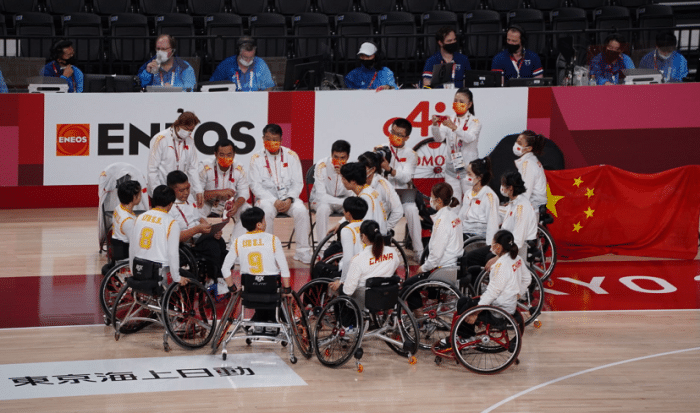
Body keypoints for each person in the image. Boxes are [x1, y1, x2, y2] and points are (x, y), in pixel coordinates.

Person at [440, 229, 530, 347]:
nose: (490, 245)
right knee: (465, 301)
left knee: (464, 304)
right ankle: (466, 335)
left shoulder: (500, 266)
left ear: (498, 247)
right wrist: (517, 295)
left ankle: (465, 338)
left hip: (497, 310)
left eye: (492, 242)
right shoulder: (517, 259)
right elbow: (527, 279)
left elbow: (492, 293)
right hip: (508, 305)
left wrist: (476, 312)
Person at [221, 207, 292, 334]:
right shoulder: (273, 239)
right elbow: (284, 267)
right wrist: (287, 289)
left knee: (257, 289)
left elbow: (225, 268)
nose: (266, 223)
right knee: (273, 290)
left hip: (249, 289)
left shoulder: (238, 241)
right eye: (264, 220)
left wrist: (232, 287)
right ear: (259, 224)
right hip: (270, 289)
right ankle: (270, 321)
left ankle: (259, 320)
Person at [248, 124, 312, 263]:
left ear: (281, 140)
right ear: (263, 139)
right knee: (266, 212)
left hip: (288, 198)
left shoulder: (291, 156)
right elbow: (255, 186)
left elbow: (297, 183)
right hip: (267, 199)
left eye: (275, 139)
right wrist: (274, 201)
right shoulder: (256, 158)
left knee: (301, 211)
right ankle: (268, 252)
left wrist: (289, 199)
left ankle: (302, 251)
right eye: (268, 139)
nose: (271, 142)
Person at [402, 182, 463, 316]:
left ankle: (419, 319)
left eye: (431, 196)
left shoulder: (442, 222)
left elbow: (436, 255)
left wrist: (423, 268)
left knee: (407, 286)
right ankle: (433, 301)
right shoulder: (453, 215)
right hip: (454, 264)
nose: (430, 199)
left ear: (439, 200)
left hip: (443, 269)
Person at [465, 171, 537, 272]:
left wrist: (497, 257)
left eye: (503, 184)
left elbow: (518, 241)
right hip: (503, 244)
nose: (501, 187)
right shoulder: (514, 202)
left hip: (513, 248)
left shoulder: (521, 208)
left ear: (510, 188)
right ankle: (474, 281)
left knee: (488, 258)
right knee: (470, 256)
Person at [376, 118, 422, 260]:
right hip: (384, 193)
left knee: (412, 210)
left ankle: (419, 251)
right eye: (393, 132)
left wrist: (389, 169)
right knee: (378, 211)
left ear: (407, 137)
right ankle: (379, 247)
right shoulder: (380, 149)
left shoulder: (411, 154)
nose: (394, 136)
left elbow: (406, 178)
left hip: (403, 193)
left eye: (399, 135)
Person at [129, 185, 187, 287]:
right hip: (159, 272)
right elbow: (172, 254)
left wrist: (132, 269)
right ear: (170, 204)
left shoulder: (139, 218)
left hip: (139, 268)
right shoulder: (171, 223)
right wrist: (177, 278)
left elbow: (132, 247)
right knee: (190, 278)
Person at [430, 87, 482, 202]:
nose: (457, 103)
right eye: (455, 101)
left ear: (469, 104)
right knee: (452, 201)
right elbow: (439, 138)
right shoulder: (449, 119)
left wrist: (453, 127)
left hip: (469, 168)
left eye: (461, 101)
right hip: (451, 167)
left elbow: (469, 138)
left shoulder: (475, 122)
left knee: (470, 199)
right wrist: (435, 126)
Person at [147, 109, 203, 207]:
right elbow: (152, 169)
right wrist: (158, 193)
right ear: (178, 124)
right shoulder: (161, 139)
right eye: (186, 129)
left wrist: (198, 190)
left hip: (181, 193)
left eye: (191, 130)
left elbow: (193, 168)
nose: (188, 132)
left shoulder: (190, 141)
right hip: (163, 190)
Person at [329, 220, 400, 297]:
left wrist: (340, 284)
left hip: (365, 299)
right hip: (388, 295)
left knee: (336, 286)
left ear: (363, 236)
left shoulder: (358, 259)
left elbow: (348, 291)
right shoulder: (392, 252)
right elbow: (395, 266)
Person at [200, 139, 250, 242]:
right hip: (209, 202)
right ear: (215, 154)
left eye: (229, 155)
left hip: (230, 203)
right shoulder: (204, 166)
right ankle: (201, 241)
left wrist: (236, 205)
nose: (225, 158)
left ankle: (234, 244)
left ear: (234, 155)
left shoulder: (239, 168)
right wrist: (218, 192)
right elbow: (197, 193)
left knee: (246, 211)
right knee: (196, 210)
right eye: (222, 155)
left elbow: (244, 192)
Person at [310, 140, 353, 241]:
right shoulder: (321, 165)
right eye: (335, 157)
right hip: (322, 201)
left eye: (342, 158)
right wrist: (345, 202)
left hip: (343, 201)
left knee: (356, 209)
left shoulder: (352, 168)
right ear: (331, 154)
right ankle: (322, 247)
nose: (338, 161)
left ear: (348, 157)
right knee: (323, 209)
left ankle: (349, 242)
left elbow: (352, 193)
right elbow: (321, 196)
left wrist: (344, 175)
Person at [359, 151, 403, 237]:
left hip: (375, 229)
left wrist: (385, 229)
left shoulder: (383, 184)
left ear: (372, 169)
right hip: (361, 225)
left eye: (362, 167)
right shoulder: (359, 181)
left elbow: (398, 211)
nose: (359, 170)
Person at [209, 36, 275, 91]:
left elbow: (268, 87)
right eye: (245, 57)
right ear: (238, 53)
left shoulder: (260, 63)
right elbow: (212, 86)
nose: (248, 60)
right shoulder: (226, 65)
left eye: (251, 57)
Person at [460, 157, 499, 246]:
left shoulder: (489, 196)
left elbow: (492, 223)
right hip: (465, 232)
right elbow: (461, 216)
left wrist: (490, 247)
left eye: (469, 174)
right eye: (466, 173)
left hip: (477, 236)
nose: (466, 176)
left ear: (479, 177)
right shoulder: (468, 193)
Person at [338, 162, 383, 231]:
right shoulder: (369, 190)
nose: (342, 181)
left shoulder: (365, 197)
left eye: (343, 178)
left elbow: (366, 225)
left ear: (353, 181)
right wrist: (340, 223)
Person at [513, 130, 547, 209]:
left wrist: (511, 207)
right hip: (532, 204)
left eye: (520, 143)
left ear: (529, 148)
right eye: (516, 141)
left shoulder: (528, 164)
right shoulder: (530, 160)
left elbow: (525, 193)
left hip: (533, 207)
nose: (516, 145)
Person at [338, 196, 369, 279]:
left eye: (344, 210)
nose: (343, 212)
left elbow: (348, 259)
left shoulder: (347, 230)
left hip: (356, 272)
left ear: (348, 214)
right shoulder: (368, 225)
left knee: (319, 267)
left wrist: (343, 281)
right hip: (370, 268)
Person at [111, 180, 142, 262]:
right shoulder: (127, 220)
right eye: (139, 194)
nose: (141, 196)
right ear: (134, 197)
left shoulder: (119, 207)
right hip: (126, 257)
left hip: (118, 249)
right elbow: (135, 244)